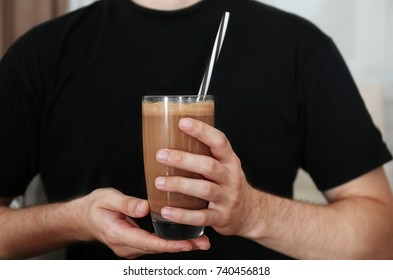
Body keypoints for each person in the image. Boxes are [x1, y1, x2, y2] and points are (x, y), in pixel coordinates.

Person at [1, 0, 393, 260]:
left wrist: (256, 214)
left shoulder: (300, 47)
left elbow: (380, 240)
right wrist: (75, 219)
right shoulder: (42, 54)